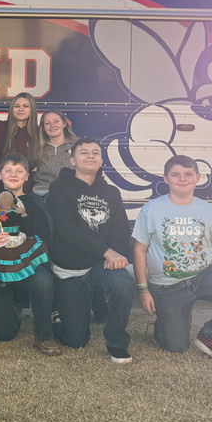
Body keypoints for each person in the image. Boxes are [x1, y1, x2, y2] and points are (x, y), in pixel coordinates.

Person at [133, 155, 212, 362]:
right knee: (175, 346)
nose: (182, 179)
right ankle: (165, 324)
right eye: (175, 174)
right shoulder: (151, 209)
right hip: (168, 285)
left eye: (188, 174)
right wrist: (143, 290)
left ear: (197, 178)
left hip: (204, 275)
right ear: (165, 178)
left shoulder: (209, 211)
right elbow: (140, 250)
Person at [48, 138, 134, 363]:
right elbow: (67, 230)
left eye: (95, 152)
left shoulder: (111, 192)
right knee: (76, 340)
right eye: (83, 152)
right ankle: (59, 311)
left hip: (99, 265)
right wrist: (108, 252)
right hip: (71, 269)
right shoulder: (59, 188)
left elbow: (121, 230)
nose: (90, 156)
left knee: (123, 282)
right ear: (72, 160)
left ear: (101, 160)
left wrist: (115, 253)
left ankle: (117, 342)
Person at [0, 154, 58, 355]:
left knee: (43, 281)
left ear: (27, 177)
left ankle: (43, 335)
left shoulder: (35, 204)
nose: (13, 175)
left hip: (28, 265)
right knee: (2, 335)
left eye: (19, 171)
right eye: (8, 171)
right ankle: (12, 307)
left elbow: (45, 236)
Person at [0, 92, 43, 186]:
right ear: (11, 109)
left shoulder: (39, 132)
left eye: (25, 106)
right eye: (17, 106)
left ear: (32, 109)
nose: (21, 109)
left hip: (26, 191)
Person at [33, 109, 78, 198]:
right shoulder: (38, 147)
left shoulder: (76, 146)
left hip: (69, 193)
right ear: (43, 127)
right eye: (47, 123)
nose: (52, 125)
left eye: (56, 121)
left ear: (64, 124)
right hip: (42, 192)